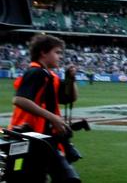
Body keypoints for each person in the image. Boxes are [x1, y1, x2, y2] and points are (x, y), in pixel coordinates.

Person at [10, 34, 82, 181]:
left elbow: (69, 98)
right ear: (43, 52)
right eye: (57, 52)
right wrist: (52, 117)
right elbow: (19, 99)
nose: (60, 56)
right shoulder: (36, 72)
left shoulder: (50, 76)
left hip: (46, 138)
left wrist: (70, 79)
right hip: (30, 137)